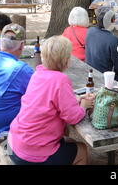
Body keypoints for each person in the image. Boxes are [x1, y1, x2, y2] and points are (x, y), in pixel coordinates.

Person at [8, 36, 95, 165]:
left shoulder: (37, 74)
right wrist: (83, 105)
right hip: (32, 153)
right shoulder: (60, 80)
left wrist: (75, 99)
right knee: (81, 149)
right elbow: (73, 117)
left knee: (68, 141)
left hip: (14, 143)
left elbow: (47, 100)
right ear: (66, 60)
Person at [85, 6, 118, 82]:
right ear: (113, 21)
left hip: (90, 73)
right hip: (105, 78)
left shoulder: (90, 31)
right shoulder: (114, 40)